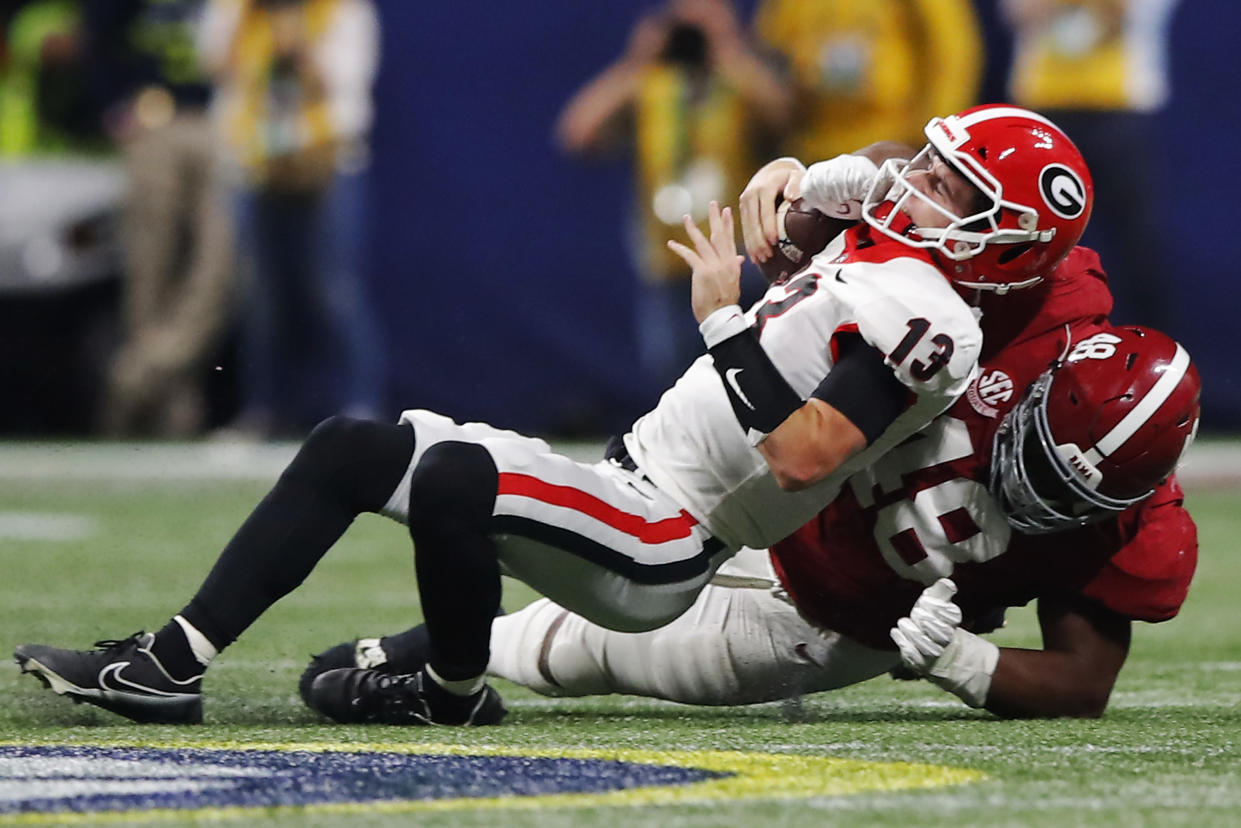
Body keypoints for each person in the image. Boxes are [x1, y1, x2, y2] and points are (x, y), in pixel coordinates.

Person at [13, 103, 1087, 728]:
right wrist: (805, 174)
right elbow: (818, 202)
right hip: (624, 482)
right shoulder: (896, 244)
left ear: (995, 241)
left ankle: (450, 687)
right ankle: (171, 663)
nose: (916, 185)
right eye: (930, 166)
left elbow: (806, 458)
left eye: (949, 187)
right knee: (351, 446)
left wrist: (722, 325)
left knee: (451, 479)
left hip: (668, 540)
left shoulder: (932, 321)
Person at [298, 316, 1201, 719]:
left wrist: (961, 661)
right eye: (1036, 456)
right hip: (777, 499)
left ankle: (434, 662)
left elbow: (1084, 683)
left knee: (575, 653)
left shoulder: (1138, 530)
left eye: (1070, 496)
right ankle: (434, 644)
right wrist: (829, 181)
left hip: (831, 617)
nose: (1038, 497)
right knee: (583, 540)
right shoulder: (1021, 324)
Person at [555, 0, 791, 398]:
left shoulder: (744, 79)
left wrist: (728, 50)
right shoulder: (651, 86)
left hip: (745, 261)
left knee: (757, 382)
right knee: (679, 388)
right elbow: (578, 133)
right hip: (671, 264)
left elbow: (784, 118)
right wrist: (636, 62)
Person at [198, 0, 386, 437]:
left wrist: (296, 44)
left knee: (332, 289)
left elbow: (342, 83)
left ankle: (361, 407)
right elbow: (216, 68)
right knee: (261, 296)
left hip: (322, 161)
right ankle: (263, 411)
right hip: (253, 161)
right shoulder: (234, 7)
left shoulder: (342, 11)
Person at [84, 0, 235, 438]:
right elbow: (99, 32)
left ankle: (133, 377)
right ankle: (171, 413)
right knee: (150, 267)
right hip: (156, 120)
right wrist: (113, 102)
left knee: (219, 269)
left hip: (223, 118)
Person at [1001, 0, 1180, 330]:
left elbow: (1124, 16)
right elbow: (1023, 13)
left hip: (1117, 108)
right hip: (1046, 109)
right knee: (1029, 236)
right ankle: (1026, 342)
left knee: (1135, 242)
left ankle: (1153, 344)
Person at [752, 0, 983, 162]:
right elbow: (773, 46)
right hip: (814, 143)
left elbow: (952, 53)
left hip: (891, 145)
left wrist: (933, 140)